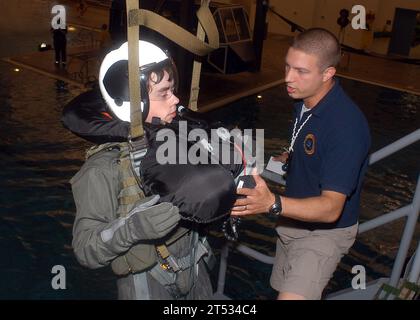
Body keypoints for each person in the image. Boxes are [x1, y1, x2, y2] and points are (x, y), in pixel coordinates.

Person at [65, 40, 246, 299]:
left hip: (196, 267)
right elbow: (85, 250)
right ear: (130, 101)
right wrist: (131, 229)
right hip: (146, 282)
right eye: (164, 93)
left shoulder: (181, 142)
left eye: (173, 90)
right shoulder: (104, 167)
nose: (176, 100)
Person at [232, 28, 371, 300]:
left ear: (328, 73)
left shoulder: (346, 127)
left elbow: (331, 209)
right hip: (293, 219)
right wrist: (291, 157)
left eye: (301, 71)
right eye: (287, 66)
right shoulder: (305, 101)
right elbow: (313, 143)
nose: (288, 78)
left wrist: (272, 203)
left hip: (323, 234)